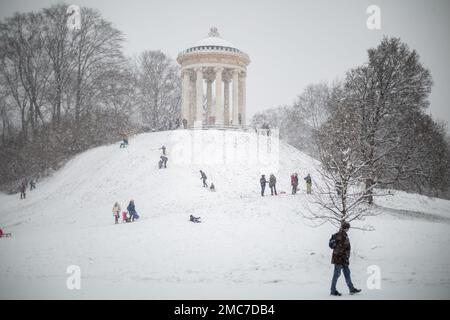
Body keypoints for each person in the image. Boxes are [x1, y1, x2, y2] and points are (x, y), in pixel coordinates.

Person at [330, 221, 361, 296]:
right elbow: (340, 248)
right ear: (346, 228)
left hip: (343, 259)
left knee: (347, 274)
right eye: (348, 228)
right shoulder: (341, 235)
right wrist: (344, 257)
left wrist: (346, 257)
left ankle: (351, 289)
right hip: (340, 259)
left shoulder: (341, 235)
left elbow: (345, 248)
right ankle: (333, 291)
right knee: (336, 275)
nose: (348, 229)